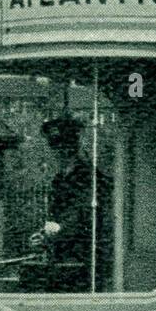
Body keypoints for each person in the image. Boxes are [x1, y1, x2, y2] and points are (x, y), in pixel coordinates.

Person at [29, 116, 108, 292]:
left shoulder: (89, 176)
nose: (58, 151)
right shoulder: (60, 179)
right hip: (62, 257)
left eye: (62, 145)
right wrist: (44, 235)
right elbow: (58, 216)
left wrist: (58, 230)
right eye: (54, 145)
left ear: (73, 146)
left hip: (83, 257)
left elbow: (85, 214)